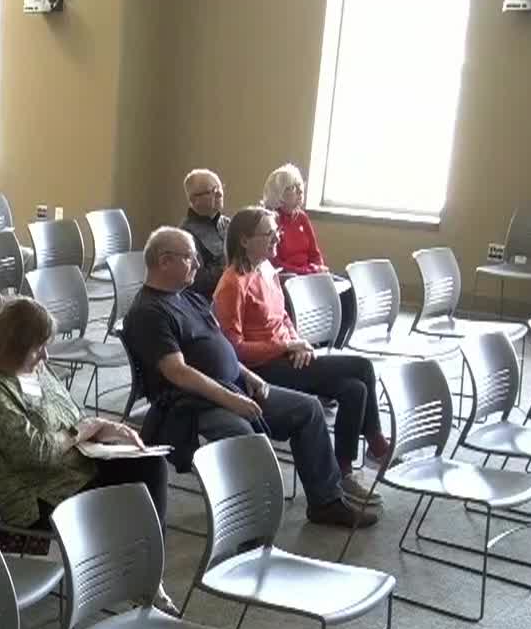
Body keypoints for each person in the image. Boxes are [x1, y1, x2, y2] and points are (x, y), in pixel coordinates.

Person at [122, 228, 377, 529]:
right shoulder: (148, 313)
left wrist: (247, 374)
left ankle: (326, 501)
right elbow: (179, 373)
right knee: (245, 434)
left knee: (309, 409)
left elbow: (219, 345)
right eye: (190, 258)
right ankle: (248, 520)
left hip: (234, 385)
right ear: (165, 261)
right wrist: (233, 400)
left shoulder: (187, 297)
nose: (198, 265)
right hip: (193, 403)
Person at [213, 207, 388, 501]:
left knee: (354, 390)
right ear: (244, 240)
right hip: (263, 369)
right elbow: (234, 350)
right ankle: (377, 444)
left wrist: (298, 342)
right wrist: (286, 347)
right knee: (362, 367)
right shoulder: (232, 284)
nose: (276, 240)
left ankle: (343, 471)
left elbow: (283, 318)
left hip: (288, 358)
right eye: (268, 234)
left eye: (275, 233)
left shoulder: (267, 269)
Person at [0, 297, 172, 536]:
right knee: (127, 507)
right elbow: (36, 452)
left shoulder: (33, 368)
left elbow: (72, 415)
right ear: (14, 347)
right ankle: (133, 559)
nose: (45, 356)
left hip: (78, 468)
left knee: (151, 464)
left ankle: (147, 559)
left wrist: (103, 428)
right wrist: (79, 433)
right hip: (37, 491)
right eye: (37, 348)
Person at [263, 162, 355, 347]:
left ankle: (334, 345)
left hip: (310, 273)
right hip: (289, 278)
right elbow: (275, 262)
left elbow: (314, 252)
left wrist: (318, 268)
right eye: (292, 188)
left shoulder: (302, 217)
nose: (299, 191)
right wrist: (309, 271)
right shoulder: (270, 220)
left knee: (347, 291)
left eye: (300, 186)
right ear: (278, 194)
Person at [180, 169, 229, 297]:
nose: (219, 194)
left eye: (220, 188)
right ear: (193, 200)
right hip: (210, 302)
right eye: (212, 191)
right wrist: (231, 268)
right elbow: (198, 281)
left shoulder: (227, 223)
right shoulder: (186, 235)